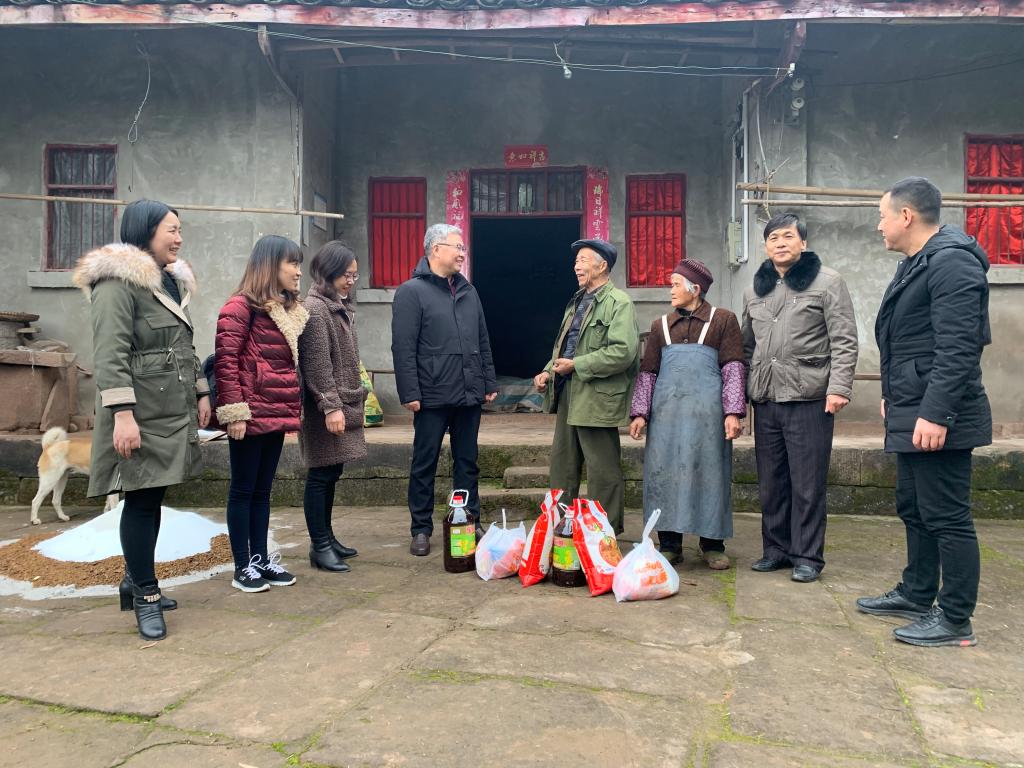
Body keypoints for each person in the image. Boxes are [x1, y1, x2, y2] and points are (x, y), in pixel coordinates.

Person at [857, 177, 991, 647]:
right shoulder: (918, 263)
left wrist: (936, 414)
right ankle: (917, 593)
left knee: (947, 516)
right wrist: (893, 395)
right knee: (914, 506)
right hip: (911, 406)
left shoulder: (952, 262)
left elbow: (959, 348)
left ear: (906, 216)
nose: (879, 226)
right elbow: (907, 342)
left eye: (882, 216)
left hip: (939, 415)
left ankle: (955, 618)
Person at [72, 199, 211, 641]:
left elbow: (183, 344)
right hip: (140, 414)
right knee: (140, 500)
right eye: (171, 229)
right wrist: (123, 417)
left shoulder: (167, 282)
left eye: (180, 230)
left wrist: (201, 391)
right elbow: (110, 356)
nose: (179, 238)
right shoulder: (117, 284)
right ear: (145, 231)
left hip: (169, 409)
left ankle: (134, 581)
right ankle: (146, 597)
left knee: (153, 497)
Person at [742, 213, 858, 583]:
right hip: (767, 399)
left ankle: (807, 556)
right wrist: (743, 393)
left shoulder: (828, 282)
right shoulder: (754, 289)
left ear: (803, 243)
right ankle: (776, 550)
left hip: (809, 397)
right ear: (765, 246)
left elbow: (844, 339)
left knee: (807, 483)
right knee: (771, 481)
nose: (780, 243)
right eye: (773, 237)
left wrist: (839, 387)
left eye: (788, 236)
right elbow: (746, 346)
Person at [629, 259, 746, 568]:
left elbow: (733, 367)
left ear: (695, 289)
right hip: (666, 416)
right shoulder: (661, 326)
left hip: (708, 416)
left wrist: (733, 412)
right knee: (663, 473)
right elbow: (648, 372)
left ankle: (712, 544)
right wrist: (640, 413)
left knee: (711, 472)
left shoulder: (723, 320)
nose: (670, 290)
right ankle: (670, 543)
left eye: (675, 284)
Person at [391, 224, 498, 556]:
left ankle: (469, 520)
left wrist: (488, 381)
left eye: (463, 248)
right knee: (425, 461)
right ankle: (421, 528)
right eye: (457, 247)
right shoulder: (411, 292)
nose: (463, 253)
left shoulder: (469, 291)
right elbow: (403, 347)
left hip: (468, 392)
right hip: (431, 394)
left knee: (467, 461)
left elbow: (482, 338)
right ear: (436, 249)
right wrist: (410, 392)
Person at [215, 235, 308, 592]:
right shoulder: (240, 307)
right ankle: (243, 567)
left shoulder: (283, 311)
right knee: (243, 489)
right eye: (292, 264)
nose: (298, 272)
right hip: (248, 413)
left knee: (263, 490)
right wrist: (235, 412)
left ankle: (261, 560)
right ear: (270, 265)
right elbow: (226, 361)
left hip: (275, 410)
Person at [533, 238, 639, 535]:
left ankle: (603, 534)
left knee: (602, 471)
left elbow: (623, 352)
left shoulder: (619, 302)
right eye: (576, 261)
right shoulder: (577, 301)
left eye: (582, 260)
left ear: (602, 266)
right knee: (562, 466)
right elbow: (565, 347)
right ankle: (560, 530)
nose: (576, 266)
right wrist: (547, 371)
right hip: (569, 393)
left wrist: (577, 365)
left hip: (597, 397)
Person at [299, 241, 368, 573]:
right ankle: (319, 545)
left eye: (354, 275)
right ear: (328, 273)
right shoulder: (315, 309)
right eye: (345, 275)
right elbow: (316, 364)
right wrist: (330, 406)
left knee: (332, 472)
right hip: (326, 407)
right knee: (320, 474)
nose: (350, 281)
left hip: (342, 399)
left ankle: (328, 537)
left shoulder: (338, 306)